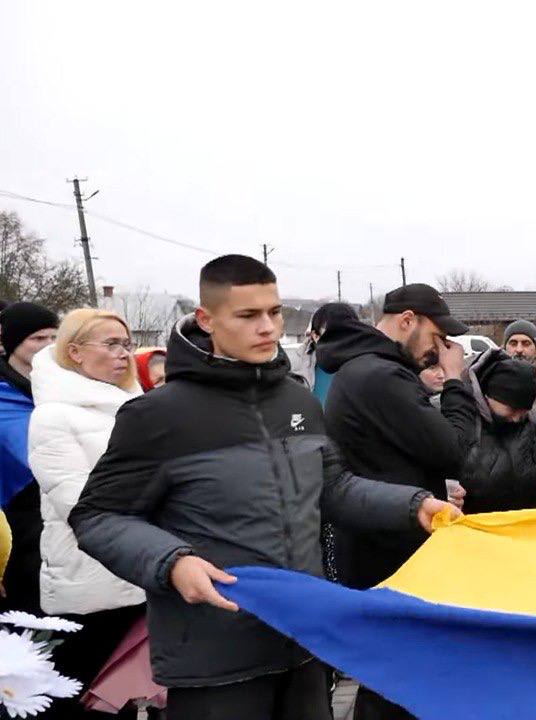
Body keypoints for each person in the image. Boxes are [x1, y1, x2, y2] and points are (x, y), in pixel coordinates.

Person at [69, 256, 459, 720]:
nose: (269, 328)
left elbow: (332, 488)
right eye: (248, 316)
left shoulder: (297, 400)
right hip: (215, 655)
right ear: (206, 320)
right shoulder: (158, 415)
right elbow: (97, 516)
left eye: (274, 312)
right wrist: (171, 562)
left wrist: (412, 505)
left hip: (303, 643)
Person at [316, 283, 476, 719]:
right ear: (407, 321)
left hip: (384, 539)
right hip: (389, 550)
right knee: (397, 682)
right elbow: (454, 448)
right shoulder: (379, 376)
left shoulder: (367, 370)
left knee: (396, 676)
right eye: (436, 338)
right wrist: (457, 380)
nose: (439, 351)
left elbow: (398, 454)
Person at [28, 308, 146, 717]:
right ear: (75, 352)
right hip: (88, 579)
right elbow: (78, 502)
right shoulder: (52, 416)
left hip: (138, 570)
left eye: (127, 345)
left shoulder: (133, 404)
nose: (124, 354)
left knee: (125, 696)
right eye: (111, 344)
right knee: (86, 694)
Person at [0, 302, 58, 616]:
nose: (48, 346)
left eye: (54, 337)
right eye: (37, 339)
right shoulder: (2, 396)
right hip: (15, 525)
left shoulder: (64, 389)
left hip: (61, 516)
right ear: (12, 344)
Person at [455, 354, 536, 513]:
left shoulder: (531, 421)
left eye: (523, 411)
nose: (517, 418)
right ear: (489, 394)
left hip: (525, 523)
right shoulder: (461, 417)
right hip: (477, 528)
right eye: (512, 409)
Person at [296, 302, 359, 403]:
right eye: (333, 334)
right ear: (315, 336)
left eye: (347, 333)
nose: (341, 340)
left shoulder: (369, 366)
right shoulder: (296, 367)